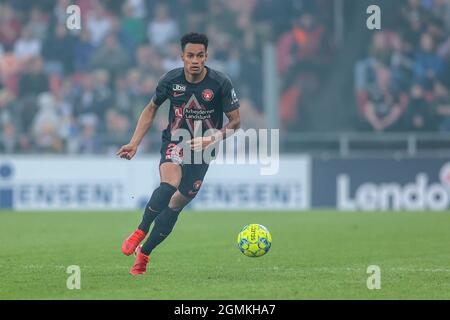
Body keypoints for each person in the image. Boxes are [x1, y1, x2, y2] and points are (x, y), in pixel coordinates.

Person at [117, 32, 241, 275]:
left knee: (176, 205)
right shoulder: (170, 80)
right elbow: (151, 109)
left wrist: (211, 138)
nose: (195, 60)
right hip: (175, 141)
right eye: (190, 55)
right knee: (169, 183)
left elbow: (235, 122)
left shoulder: (220, 83)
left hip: (203, 151)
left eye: (200, 55)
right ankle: (140, 230)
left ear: (206, 56)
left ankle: (144, 254)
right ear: (182, 56)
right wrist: (134, 142)